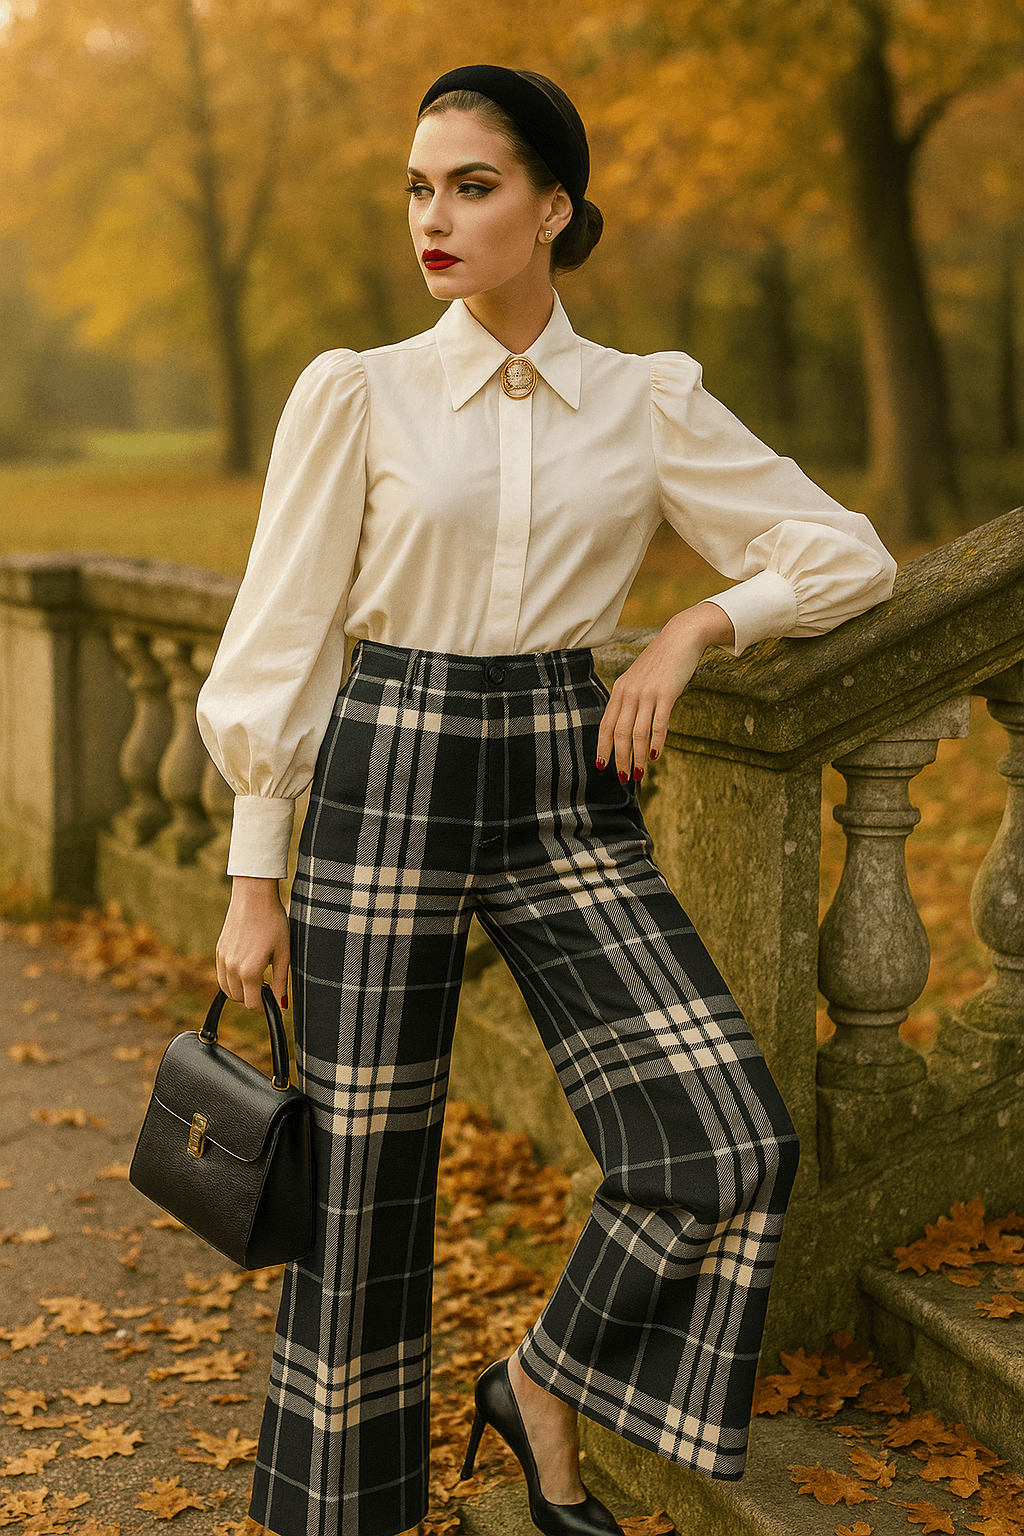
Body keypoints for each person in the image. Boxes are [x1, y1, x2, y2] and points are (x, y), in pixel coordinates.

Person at [196, 62, 897, 1536]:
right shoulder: (361, 390)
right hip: (384, 766)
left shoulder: (644, 403)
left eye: (471, 186)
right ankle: (349, 1516)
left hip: (564, 775)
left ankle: (543, 1386)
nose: (431, 219)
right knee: (362, 1195)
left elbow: (847, 555)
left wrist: (701, 629)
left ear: (555, 207)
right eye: (417, 188)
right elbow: (283, 635)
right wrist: (255, 874)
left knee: (725, 1131)